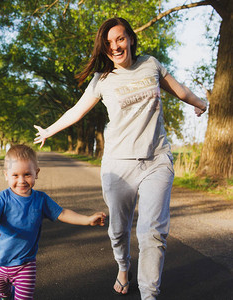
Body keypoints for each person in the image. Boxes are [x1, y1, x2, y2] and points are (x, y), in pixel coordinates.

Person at [33, 17, 207, 300]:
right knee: (118, 229)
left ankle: (149, 294)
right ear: (103, 48)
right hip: (118, 165)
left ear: (130, 39)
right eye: (109, 43)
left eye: (120, 39)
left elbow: (179, 89)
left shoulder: (151, 64)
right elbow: (77, 112)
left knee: (153, 232)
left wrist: (200, 103)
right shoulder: (103, 80)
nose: (115, 46)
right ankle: (123, 267)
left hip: (157, 159)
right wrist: (49, 131)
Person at [0, 144, 106, 300]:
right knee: (2, 292)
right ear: (6, 175)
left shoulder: (41, 200)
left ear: (36, 173)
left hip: (25, 265)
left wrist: (87, 220)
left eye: (27, 174)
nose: (21, 180)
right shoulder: (3, 198)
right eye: (15, 175)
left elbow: (62, 213)